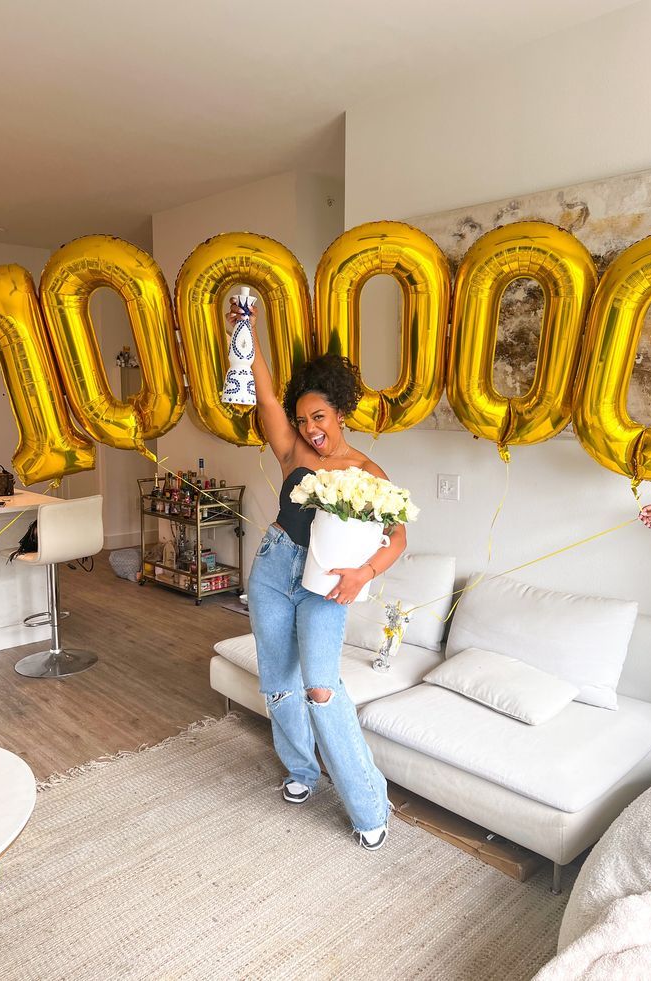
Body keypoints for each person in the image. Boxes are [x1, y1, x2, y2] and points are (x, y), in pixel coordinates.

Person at [228, 300, 406, 850]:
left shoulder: (368, 472)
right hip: (274, 567)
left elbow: (398, 536)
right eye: (303, 420)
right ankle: (302, 771)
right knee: (278, 683)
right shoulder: (293, 454)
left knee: (322, 689)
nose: (311, 429)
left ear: (341, 414)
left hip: (329, 584)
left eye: (320, 418)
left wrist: (363, 575)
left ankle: (369, 805)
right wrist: (246, 332)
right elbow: (262, 388)